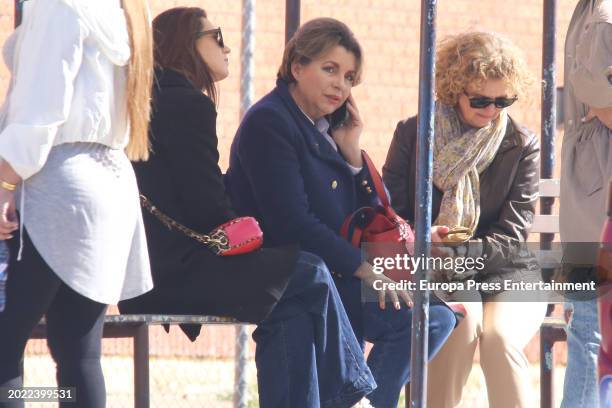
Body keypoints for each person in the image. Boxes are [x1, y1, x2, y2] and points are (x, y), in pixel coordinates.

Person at [117, 7, 376, 408]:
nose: (226, 46)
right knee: (309, 269)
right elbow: (207, 211)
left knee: (289, 305)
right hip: (176, 268)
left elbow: (185, 187)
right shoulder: (187, 104)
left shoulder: (155, 97)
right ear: (185, 41)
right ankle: (351, 385)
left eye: (349, 78)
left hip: (155, 265)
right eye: (215, 36)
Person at [226, 17, 456, 408]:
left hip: (333, 273)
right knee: (418, 319)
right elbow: (292, 222)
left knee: (434, 318)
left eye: (349, 77)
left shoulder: (324, 128)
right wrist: (365, 269)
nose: (340, 85)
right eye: (329, 69)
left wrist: (352, 151)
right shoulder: (272, 121)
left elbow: (371, 216)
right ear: (297, 67)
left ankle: (351, 403)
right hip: (293, 275)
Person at [0, 0, 153, 407]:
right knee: (77, 351)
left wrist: (4, 179)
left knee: (5, 344)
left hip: (53, 184)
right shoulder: (124, 9)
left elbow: (40, 110)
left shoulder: (59, 5)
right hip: (106, 186)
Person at [382, 31, 546, 407]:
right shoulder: (414, 133)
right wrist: (424, 238)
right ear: (453, 89)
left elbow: (513, 234)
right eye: (480, 100)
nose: (492, 110)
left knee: (501, 340)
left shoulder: (521, 143)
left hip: (509, 271)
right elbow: (391, 213)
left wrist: (454, 254)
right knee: (459, 323)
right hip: (437, 269)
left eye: (504, 100)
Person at [559, 1, 612, 407]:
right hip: (598, 185)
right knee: (593, 330)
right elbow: (602, 101)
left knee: (589, 328)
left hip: (591, 185)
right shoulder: (603, 17)